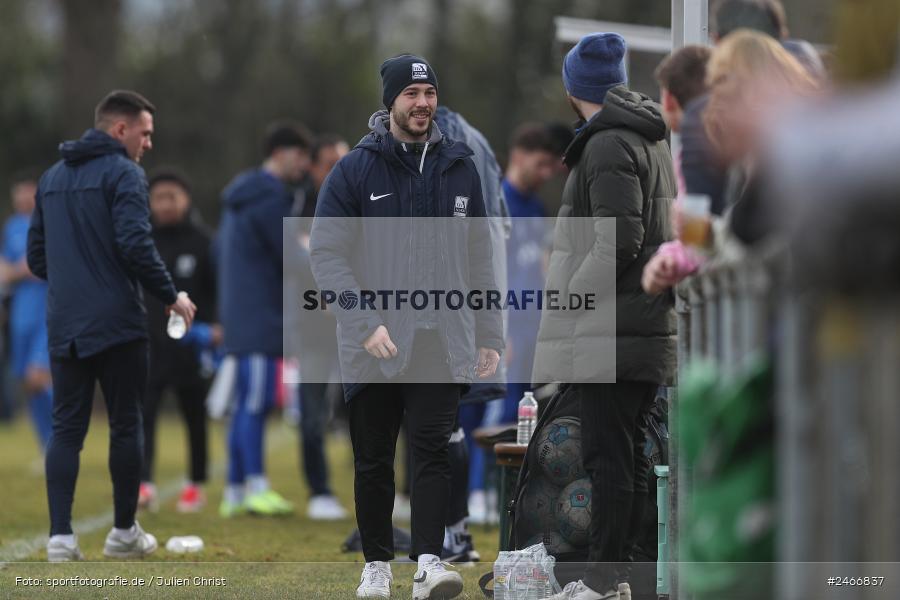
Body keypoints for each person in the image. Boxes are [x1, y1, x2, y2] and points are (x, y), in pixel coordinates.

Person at [310, 54, 503, 600]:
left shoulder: (460, 165)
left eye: (429, 93)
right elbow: (326, 254)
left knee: (432, 450)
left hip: (443, 338)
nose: (423, 103)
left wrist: (488, 332)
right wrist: (364, 320)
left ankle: (427, 563)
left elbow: (480, 259)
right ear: (390, 102)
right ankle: (376, 565)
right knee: (373, 457)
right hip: (372, 340)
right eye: (412, 93)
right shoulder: (353, 170)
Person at [535, 34, 677, 600]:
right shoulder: (646, 138)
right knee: (628, 456)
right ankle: (621, 576)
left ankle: (602, 581)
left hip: (615, 331)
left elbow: (617, 240)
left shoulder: (606, 143)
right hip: (640, 329)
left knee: (608, 458)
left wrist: (570, 300)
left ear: (575, 87)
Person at [27, 90, 197, 562]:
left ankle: (60, 538)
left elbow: (36, 259)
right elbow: (135, 244)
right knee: (126, 424)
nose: (148, 144)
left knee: (66, 430)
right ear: (120, 129)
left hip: (65, 325)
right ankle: (123, 533)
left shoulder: (51, 178)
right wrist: (172, 295)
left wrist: (75, 279)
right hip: (119, 324)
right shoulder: (125, 172)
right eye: (144, 133)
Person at [217, 121, 312, 518]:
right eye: (302, 156)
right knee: (254, 404)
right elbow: (291, 256)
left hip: (242, 311)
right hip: (258, 316)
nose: (305, 166)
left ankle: (235, 491)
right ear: (282, 153)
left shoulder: (245, 194)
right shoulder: (268, 198)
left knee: (244, 403)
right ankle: (255, 485)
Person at [434, 104, 510, 562]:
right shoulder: (478, 140)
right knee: (451, 426)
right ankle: (456, 535)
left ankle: (454, 537)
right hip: (473, 307)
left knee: (440, 427)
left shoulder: (444, 144)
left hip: (445, 308)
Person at [138, 168, 218, 513]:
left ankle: (194, 484)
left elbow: (216, 291)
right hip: (147, 345)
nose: (167, 203)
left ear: (186, 199)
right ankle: (143, 483)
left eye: (173, 196)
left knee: (194, 416)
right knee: (143, 416)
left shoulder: (204, 242)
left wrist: (215, 327)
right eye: (159, 197)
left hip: (190, 347)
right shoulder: (140, 241)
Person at [290, 134, 351, 521]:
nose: (336, 170)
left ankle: (386, 491)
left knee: (369, 410)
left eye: (342, 162)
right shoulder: (300, 209)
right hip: (313, 327)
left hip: (356, 326)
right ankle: (320, 492)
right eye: (329, 163)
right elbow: (301, 262)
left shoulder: (357, 203)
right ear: (313, 168)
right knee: (311, 413)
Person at [641, 46, 713, 294]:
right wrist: (669, 257)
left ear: (669, 99)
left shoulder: (693, 155)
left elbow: (695, 239)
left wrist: (667, 262)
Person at [1, 175, 53, 450]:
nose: (22, 199)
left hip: (46, 312)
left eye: (27, 194)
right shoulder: (11, 227)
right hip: (21, 314)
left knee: (39, 375)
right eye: (18, 194)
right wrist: (19, 271)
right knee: (27, 382)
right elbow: (5, 270)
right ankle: (46, 446)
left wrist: (18, 270)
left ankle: (62, 441)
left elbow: (39, 266)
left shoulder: (50, 223)